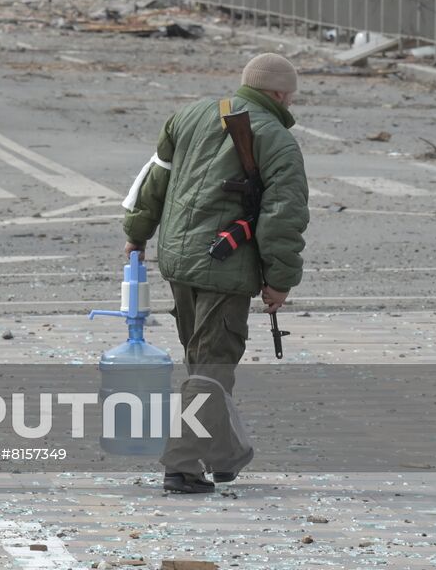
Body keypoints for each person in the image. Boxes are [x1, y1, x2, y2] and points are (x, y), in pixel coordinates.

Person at [122, 52, 308, 494]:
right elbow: (283, 218)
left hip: (179, 260)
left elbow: (154, 181)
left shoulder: (188, 115)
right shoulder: (277, 139)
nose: (291, 101)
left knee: (203, 365)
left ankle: (224, 457)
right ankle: (182, 466)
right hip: (225, 267)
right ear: (279, 93)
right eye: (290, 94)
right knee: (211, 370)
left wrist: (137, 234)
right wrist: (280, 280)